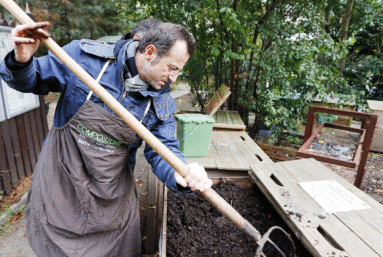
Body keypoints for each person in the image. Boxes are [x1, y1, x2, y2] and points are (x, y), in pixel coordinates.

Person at [0, 20, 212, 256]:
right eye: (172, 67)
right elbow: (31, 80)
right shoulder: (83, 59)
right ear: (150, 52)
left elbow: (164, 151)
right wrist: (21, 59)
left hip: (109, 199)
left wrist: (181, 172)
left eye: (178, 71)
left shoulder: (160, 102)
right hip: (60, 185)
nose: (173, 78)